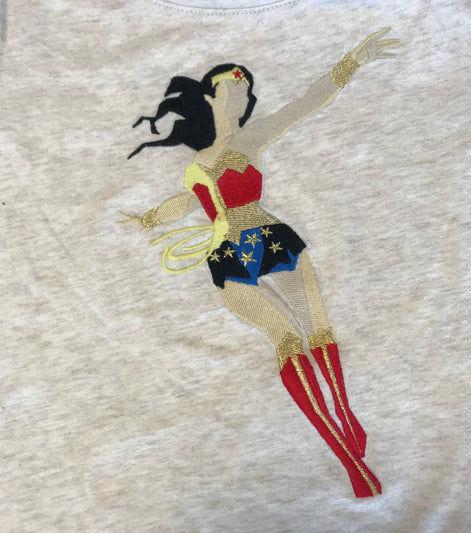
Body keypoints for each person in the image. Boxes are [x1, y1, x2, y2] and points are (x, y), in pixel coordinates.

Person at [119, 28, 399, 498]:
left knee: (318, 327)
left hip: (270, 237)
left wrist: (353, 61)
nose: (242, 95)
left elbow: (307, 102)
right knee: (286, 339)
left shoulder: (254, 136)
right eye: (233, 88)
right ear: (211, 97)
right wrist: (148, 218)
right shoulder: (196, 164)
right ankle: (349, 461)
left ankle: (345, 412)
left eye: (246, 90)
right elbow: (185, 202)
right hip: (227, 254)